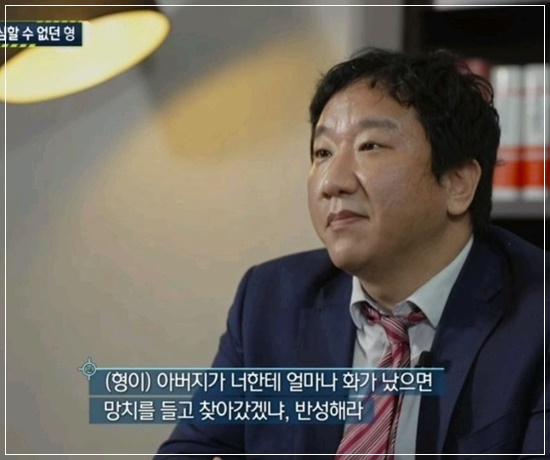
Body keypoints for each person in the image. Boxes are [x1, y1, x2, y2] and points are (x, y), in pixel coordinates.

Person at [155, 48, 548, 459]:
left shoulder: (538, 316)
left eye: (369, 146)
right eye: (322, 153)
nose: (332, 182)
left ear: (457, 182)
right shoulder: (270, 299)